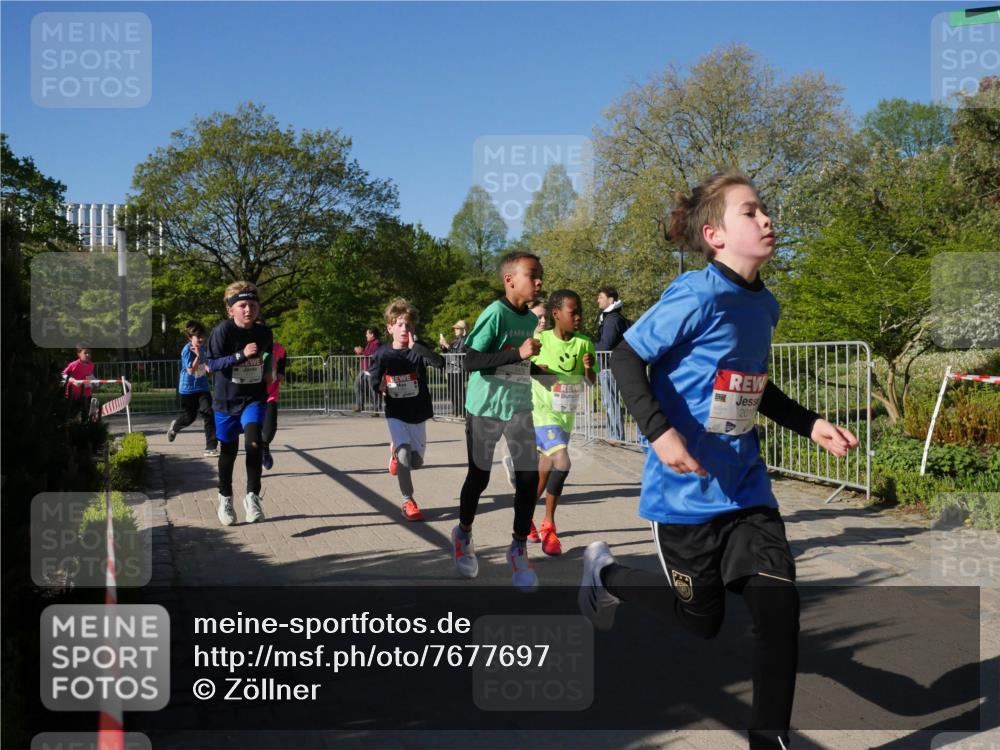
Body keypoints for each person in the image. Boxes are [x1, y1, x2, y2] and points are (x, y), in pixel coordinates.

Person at [578, 170, 859, 750]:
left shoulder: (766, 305)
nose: (767, 219)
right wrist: (658, 435)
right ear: (715, 234)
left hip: (746, 488)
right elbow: (627, 358)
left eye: (765, 210)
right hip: (685, 494)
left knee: (779, 604)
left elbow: (755, 386)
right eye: (751, 212)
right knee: (699, 623)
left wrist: (811, 425)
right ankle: (605, 575)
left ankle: (768, 740)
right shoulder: (696, 293)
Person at [452, 251, 543, 592]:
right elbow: (471, 360)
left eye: (540, 276)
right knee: (479, 477)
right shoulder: (495, 313)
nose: (539, 282)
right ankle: (463, 533)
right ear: (509, 279)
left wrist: (542, 371)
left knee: (528, 479)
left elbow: (520, 365)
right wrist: (518, 354)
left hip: (519, 405)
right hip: (486, 406)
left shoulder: (531, 320)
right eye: (532, 275)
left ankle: (518, 548)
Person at [526, 289, 597, 555]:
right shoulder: (539, 340)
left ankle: (524, 516)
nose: (578, 317)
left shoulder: (584, 343)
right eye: (573, 312)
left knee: (544, 475)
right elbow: (524, 369)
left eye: (580, 312)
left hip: (565, 416)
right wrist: (539, 371)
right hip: (542, 414)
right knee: (563, 461)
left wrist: (589, 369)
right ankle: (549, 525)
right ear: (556, 314)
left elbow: (591, 382)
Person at [370, 298, 445, 521]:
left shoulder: (418, 349)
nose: (404, 329)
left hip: (418, 412)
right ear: (390, 327)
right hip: (396, 412)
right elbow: (375, 377)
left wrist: (417, 348)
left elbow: (440, 363)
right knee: (404, 453)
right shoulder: (383, 353)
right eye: (400, 324)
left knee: (416, 462)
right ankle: (408, 501)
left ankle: (396, 454)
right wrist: (379, 386)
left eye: (408, 325)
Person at [206, 281, 273, 527]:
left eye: (253, 305)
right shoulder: (223, 331)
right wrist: (240, 355)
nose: (248, 310)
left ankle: (253, 497)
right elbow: (211, 365)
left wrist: (269, 371)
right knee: (229, 452)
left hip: (253, 398)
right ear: (230, 310)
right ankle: (225, 497)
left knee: (254, 442)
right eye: (242, 305)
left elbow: (267, 356)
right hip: (225, 402)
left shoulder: (264, 332)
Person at [502, 299, 548, 490]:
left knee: (542, 442)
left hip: (545, 395)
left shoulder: (550, 337)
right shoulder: (522, 336)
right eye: (539, 317)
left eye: (546, 316)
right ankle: (516, 465)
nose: (543, 320)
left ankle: (524, 476)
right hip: (524, 393)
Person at [167, 320, 219, 457]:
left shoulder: (203, 348)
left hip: (202, 387)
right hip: (188, 389)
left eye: (202, 336)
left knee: (208, 413)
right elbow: (190, 370)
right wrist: (197, 355)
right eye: (198, 337)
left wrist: (209, 368)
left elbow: (204, 364)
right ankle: (175, 427)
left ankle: (211, 447)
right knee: (189, 417)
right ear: (190, 337)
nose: (201, 339)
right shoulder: (186, 350)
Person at [595, 285, 629, 441]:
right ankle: (614, 435)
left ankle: (615, 437)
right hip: (612, 365)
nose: (598, 300)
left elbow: (605, 344)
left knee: (611, 403)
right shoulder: (612, 318)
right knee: (611, 402)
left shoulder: (612, 319)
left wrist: (588, 347)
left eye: (601, 297)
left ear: (611, 300)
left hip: (609, 366)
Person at [261, 338, 287, 471]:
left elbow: (283, 356)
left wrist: (281, 372)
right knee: (253, 434)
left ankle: (264, 447)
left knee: (269, 431)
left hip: (271, 395)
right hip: (251, 397)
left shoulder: (276, 347)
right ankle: (254, 470)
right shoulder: (246, 346)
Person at [438, 320, 468, 418]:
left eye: (457, 328)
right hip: (451, 369)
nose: (455, 330)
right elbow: (449, 351)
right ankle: (455, 412)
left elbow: (460, 352)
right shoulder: (454, 340)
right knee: (452, 391)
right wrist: (443, 346)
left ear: (463, 330)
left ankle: (463, 413)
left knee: (460, 392)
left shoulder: (465, 339)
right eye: (455, 328)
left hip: (459, 369)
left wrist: (446, 345)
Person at [61, 346, 95, 422]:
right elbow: (63, 374)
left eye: (89, 353)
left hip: (86, 393)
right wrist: (72, 380)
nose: (88, 355)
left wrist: (94, 382)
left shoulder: (91, 364)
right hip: (73, 393)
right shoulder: (74, 364)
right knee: (71, 415)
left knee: (85, 414)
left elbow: (90, 375)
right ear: (79, 354)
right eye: (85, 353)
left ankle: (84, 429)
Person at [353, 328, 381, 412]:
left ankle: (376, 408)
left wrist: (361, 352)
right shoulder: (369, 343)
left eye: (367, 334)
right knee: (357, 385)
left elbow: (372, 355)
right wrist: (360, 353)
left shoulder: (376, 344)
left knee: (373, 389)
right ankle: (360, 406)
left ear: (372, 334)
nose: (366, 335)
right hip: (364, 370)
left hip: (372, 371)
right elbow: (366, 354)